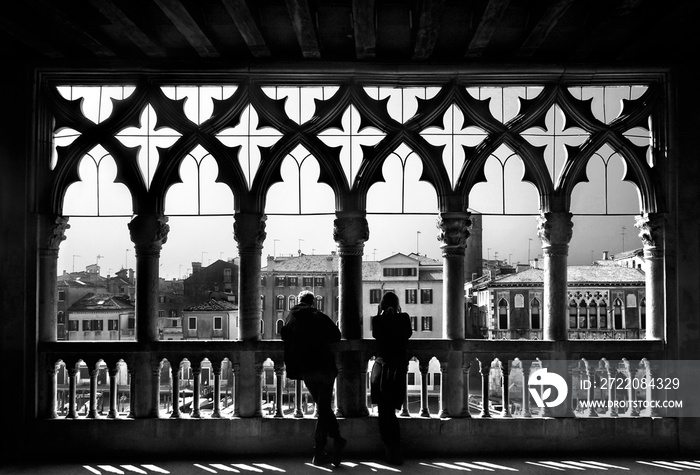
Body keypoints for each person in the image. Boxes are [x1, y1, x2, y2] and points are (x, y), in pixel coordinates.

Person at [281, 290, 346, 466]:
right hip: (324, 366)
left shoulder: (289, 318)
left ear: (298, 301)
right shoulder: (318, 316)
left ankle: (334, 442)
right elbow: (336, 336)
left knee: (323, 408)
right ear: (312, 303)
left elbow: (286, 339)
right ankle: (322, 449)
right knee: (324, 409)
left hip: (306, 369)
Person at [370, 291, 412, 465]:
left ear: (382, 305)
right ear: (397, 304)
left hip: (382, 368)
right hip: (398, 369)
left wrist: (383, 315)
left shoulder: (377, 320)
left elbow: (376, 336)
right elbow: (408, 334)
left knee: (383, 412)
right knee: (392, 413)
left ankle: (389, 449)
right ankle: (396, 450)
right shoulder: (404, 318)